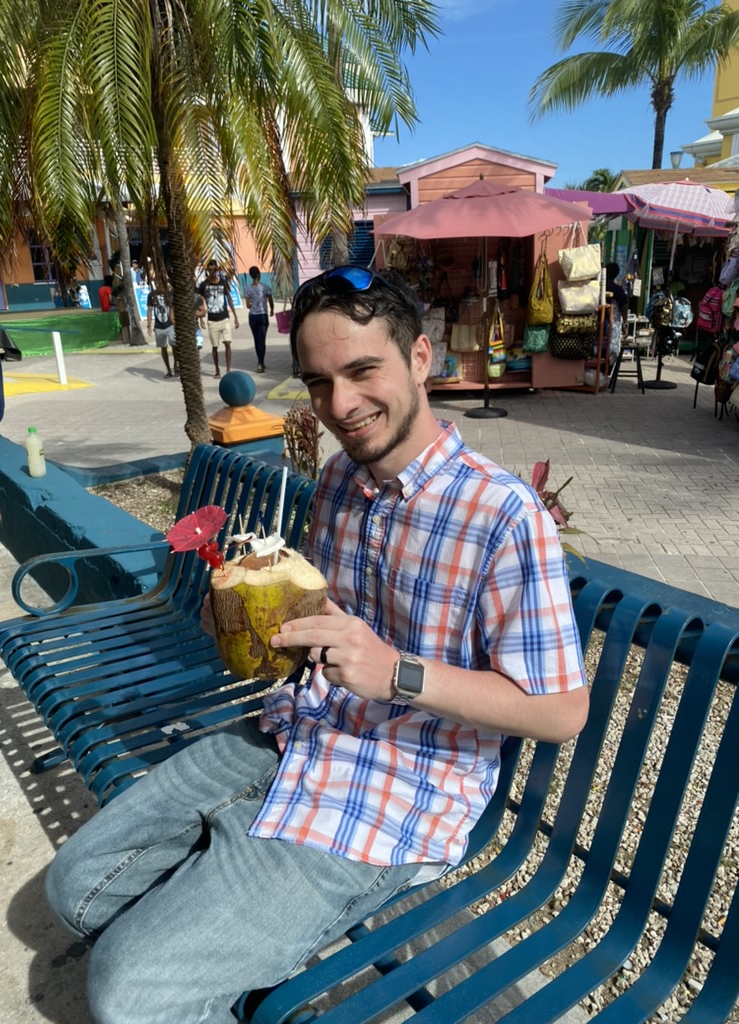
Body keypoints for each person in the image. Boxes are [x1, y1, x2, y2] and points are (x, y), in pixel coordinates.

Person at [45, 265, 588, 1024]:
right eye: (318, 382)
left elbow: (562, 711)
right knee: (75, 888)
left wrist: (395, 673)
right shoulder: (341, 480)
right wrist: (247, 616)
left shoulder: (502, 515)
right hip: (293, 732)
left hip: (396, 791)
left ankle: (237, 928)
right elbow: (321, 621)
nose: (340, 405)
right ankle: (230, 920)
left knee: (127, 992)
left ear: (422, 359)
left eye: (363, 371)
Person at [198, 258, 240, 378]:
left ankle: (228, 369)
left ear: (217, 269)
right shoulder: (204, 285)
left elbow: (230, 299)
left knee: (227, 343)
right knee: (215, 346)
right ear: (207, 270)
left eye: (214, 269)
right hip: (212, 320)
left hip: (224, 318)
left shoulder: (223, 282)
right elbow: (200, 302)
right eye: (210, 269)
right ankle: (217, 370)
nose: (212, 271)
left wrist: (236, 317)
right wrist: (201, 318)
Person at [244, 265, 274, 372]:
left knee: (256, 340)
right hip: (262, 316)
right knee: (262, 339)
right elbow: (270, 300)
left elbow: (247, 305)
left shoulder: (248, 289)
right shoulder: (265, 287)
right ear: (258, 275)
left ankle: (260, 361)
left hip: (252, 316)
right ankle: (261, 362)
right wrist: (272, 309)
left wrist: (253, 304)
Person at [146, 280, 177, 378]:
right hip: (159, 326)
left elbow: (173, 307)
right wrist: (149, 325)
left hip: (170, 324)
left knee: (174, 346)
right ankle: (168, 370)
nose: (158, 284)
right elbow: (150, 310)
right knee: (163, 348)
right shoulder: (151, 295)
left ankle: (176, 365)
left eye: (160, 282)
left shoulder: (169, 294)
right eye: (157, 282)